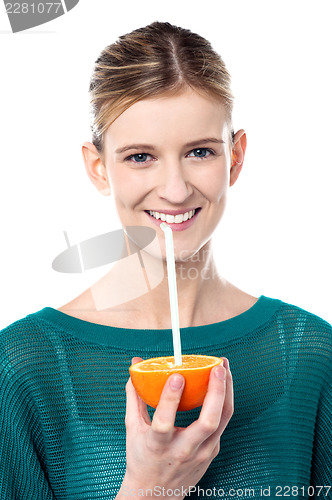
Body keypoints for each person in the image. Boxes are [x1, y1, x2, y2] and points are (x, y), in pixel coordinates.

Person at [0, 21, 331, 500]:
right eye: (140, 157)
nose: (175, 190)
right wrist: (149, 488)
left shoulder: (311, 353)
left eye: (200, 151)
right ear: (98, 168)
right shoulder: (22, 368)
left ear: (236, 158)